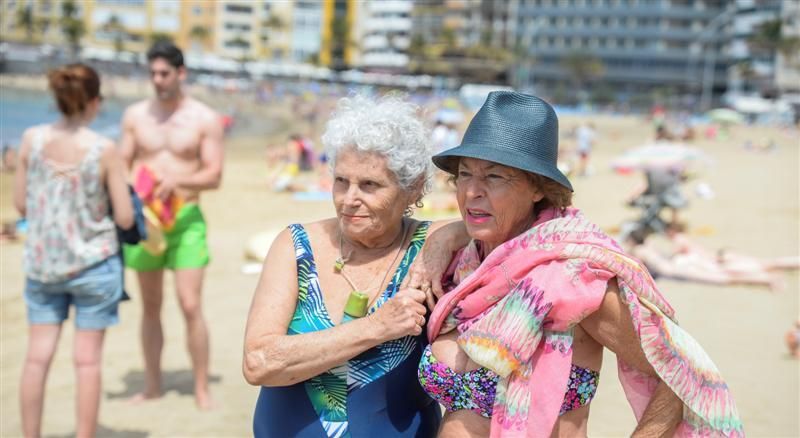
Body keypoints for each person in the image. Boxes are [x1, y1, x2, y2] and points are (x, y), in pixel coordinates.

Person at [408, 92, 742, 437]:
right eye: (465, 175)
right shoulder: (466, 266)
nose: (472, 191)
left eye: (494, 177)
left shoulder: (575, 279)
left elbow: (678, 374)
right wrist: (442, 238)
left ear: (538, 188)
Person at [243, 94, 442, 437]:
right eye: (341, 181)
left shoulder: (432, 249)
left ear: (413, 188)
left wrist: (448, 237)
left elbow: (488, 227)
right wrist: (377, 327)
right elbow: (259, 363)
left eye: (370, 185)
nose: (349, 199)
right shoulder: (294, 247)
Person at [14, 64, 133, 438]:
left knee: (36, 359)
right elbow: (126, 218)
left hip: (43, 265)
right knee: (87, 363)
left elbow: (20, 204)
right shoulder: (104, 149)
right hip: (94, 266)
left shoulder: (31, 139)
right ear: (94, 102)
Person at [119, 41, 224, 409]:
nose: (157, 80)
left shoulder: (204, 119)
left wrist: (178, 184)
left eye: (164, 73)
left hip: (185, 220)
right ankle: (151, 385)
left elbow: (214, 175)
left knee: (190, 303)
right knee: (150, 305)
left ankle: (200, 387)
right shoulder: (135, 116)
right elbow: (121, 163)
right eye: (152, 73)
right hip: (145, 222)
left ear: (181, 73)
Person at [622, 219, 798, 291]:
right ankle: (771, 278)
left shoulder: (641, 250)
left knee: (729, 277)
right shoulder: (649, 245)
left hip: (696, 265)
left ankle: (770, 280)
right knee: (762, 265)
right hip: (708, 260)